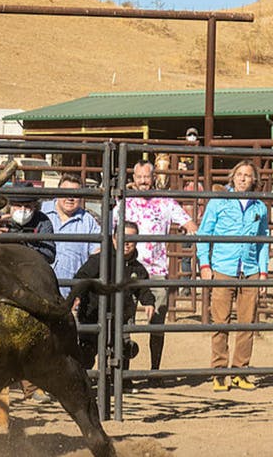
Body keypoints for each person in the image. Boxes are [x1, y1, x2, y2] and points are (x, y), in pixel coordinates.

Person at [112, 160, 198, 384]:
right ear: (133, 177)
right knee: (125, 319)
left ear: (154, 177)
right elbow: (110, 231)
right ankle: (125, 374)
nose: (142, 181)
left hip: (157, 269)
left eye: (146, 177)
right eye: (139, 176)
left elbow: (190, 224)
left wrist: (190, 231)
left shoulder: (166, 202)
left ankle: (154, 371)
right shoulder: (124, 203)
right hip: (128, 268)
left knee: (157, 321)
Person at [196, 160, 269, 392]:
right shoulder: (219, 202)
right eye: (239, 174)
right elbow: (204, 233)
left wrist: (264, 271)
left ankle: (240, 371)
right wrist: (205, 264)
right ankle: (219, 371)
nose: (243, 179)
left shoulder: (260, 207)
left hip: (250, 270)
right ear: (233, 177)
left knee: (247, 324)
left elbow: (263, 241)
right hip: (223, 268)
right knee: (221, 322)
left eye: (248, 175)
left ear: (254, 180)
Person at [75, 221, 156, 390]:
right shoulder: (100, 260)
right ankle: (84, 379)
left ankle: (120, 380)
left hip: (121, 315)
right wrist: (78, 296)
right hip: (94, 312)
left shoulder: (136, 267)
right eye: (123, 237)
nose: (127, 243)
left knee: (121, 347)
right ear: (114, 238)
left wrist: (149, 302)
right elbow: (81, 277)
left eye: (131, 239)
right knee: (88, 349)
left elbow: (142, 288)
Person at [42, 173, 101, 297]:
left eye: (75, 194)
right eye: (66, 192)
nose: (70, 198)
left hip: (71, 297)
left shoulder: (88, 221)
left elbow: (97, 256)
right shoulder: (41, 212)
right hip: (39, 291)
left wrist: (80, 291)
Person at [5, 180, 56, 264]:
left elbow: (50, 255)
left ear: (35, 206)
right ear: (9, 205)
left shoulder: (42, 221)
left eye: (27, 206)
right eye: (18, 205)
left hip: (31, 268)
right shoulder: (0, 220)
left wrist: (26, 251)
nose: (23, 210)